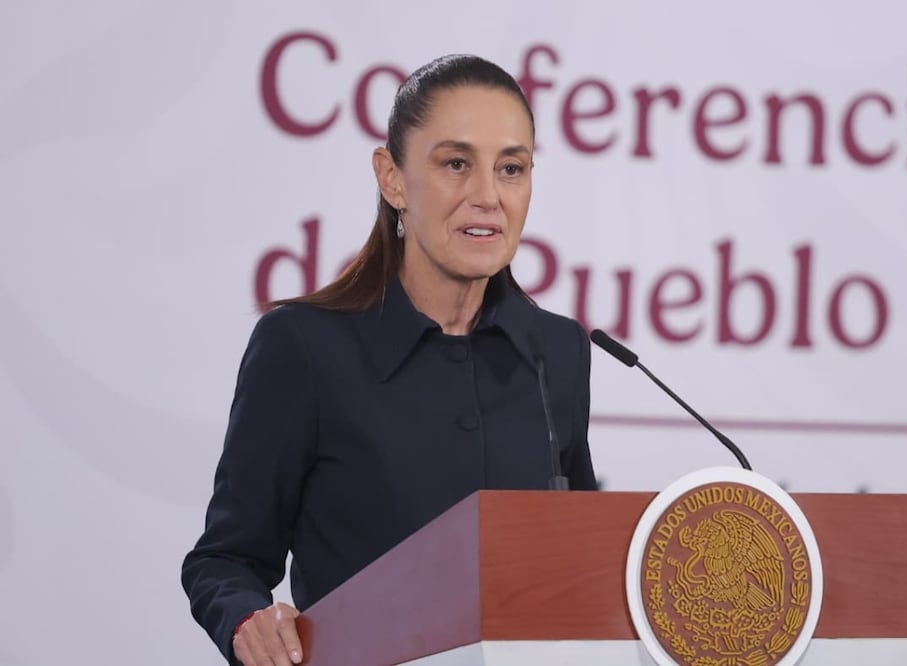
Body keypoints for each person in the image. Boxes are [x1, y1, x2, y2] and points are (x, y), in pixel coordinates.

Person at [181, 54, 598, 665]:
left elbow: (583, 561)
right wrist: (247, 618)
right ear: (392, 177)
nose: (488, 196)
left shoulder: (557, 353)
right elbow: (224, 559)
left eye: (512, 168)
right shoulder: (303, 346)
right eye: (456, 164)